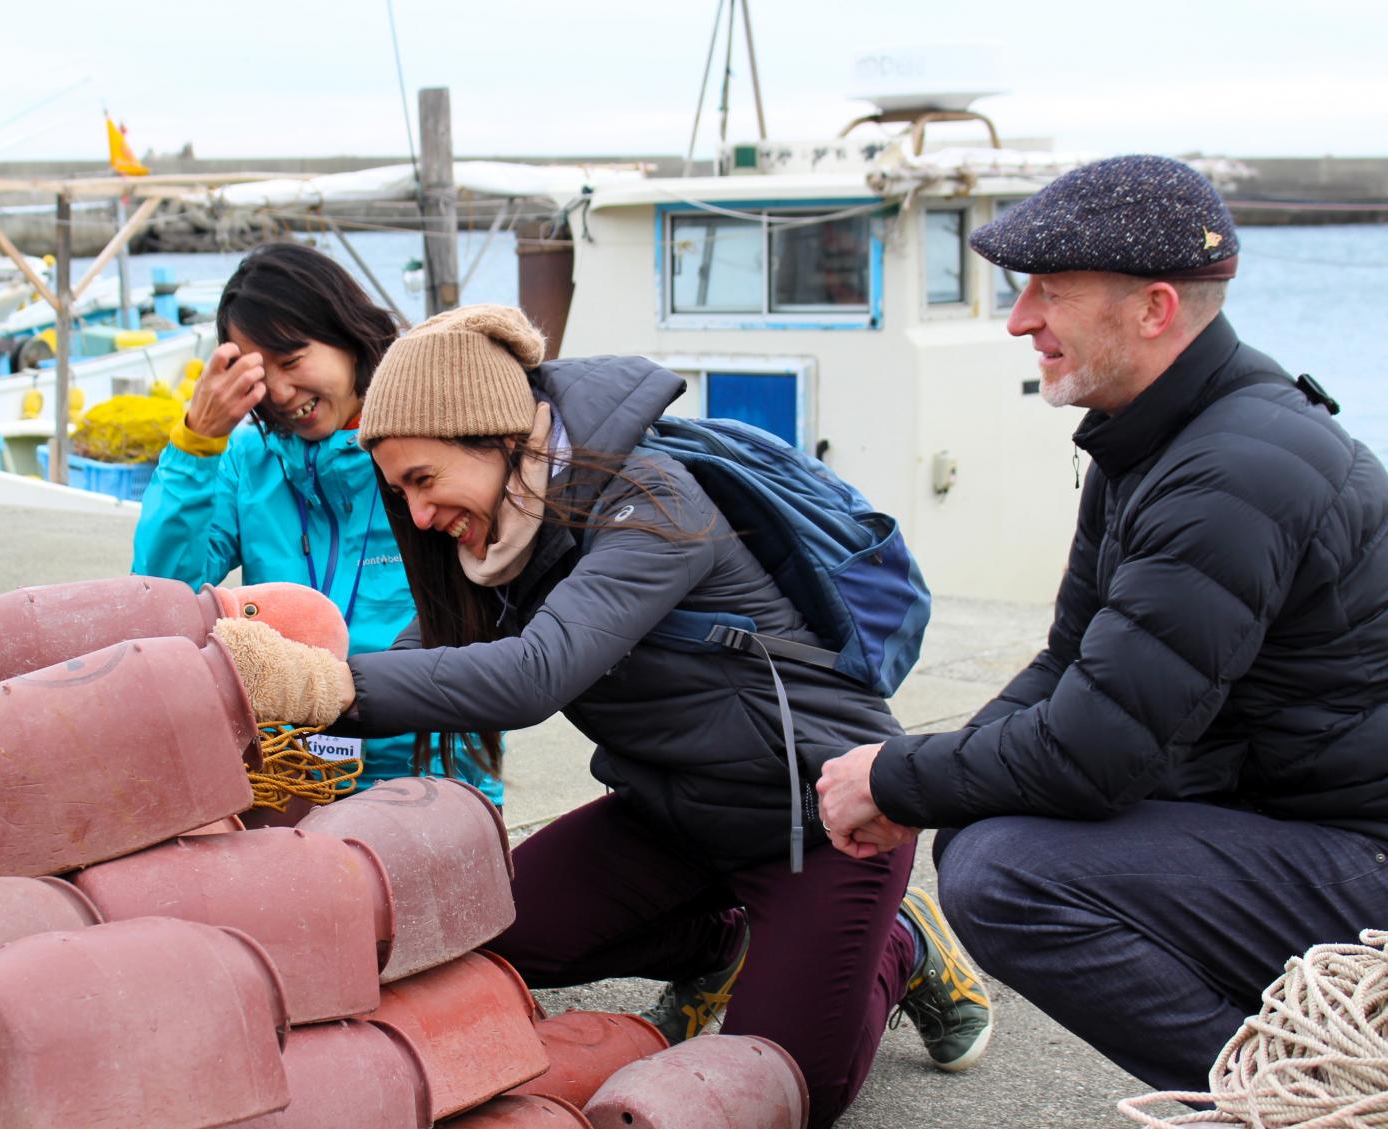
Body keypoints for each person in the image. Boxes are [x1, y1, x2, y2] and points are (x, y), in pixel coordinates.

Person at [213, 304, 992, 1127]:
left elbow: (532, 674)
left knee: (785, 1089)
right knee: (487, 936)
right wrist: (280, 724)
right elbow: (424, 664)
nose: (418, 515)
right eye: (400, 490)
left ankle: (897, 946)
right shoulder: (503, 542)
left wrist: (320, 684)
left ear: (492, 435)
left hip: (817, 817)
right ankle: (722, 943)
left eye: (424, 480)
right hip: (670, 814)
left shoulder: (652, 502)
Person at [815, 155, 1388, 1093]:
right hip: (1288, 816)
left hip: (1359, 856)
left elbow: (1096, 752)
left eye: (1048, 290)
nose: (1018, 319)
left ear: (1153, 309)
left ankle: (1292, 1096)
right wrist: (915, 772)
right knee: (987, 825)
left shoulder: (1234, 471)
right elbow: (1067, 664)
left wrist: (901, 777)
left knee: (1008, 872)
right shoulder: (1154, 434)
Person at [131, 242, 501, 804]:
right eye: (259, 372)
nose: (280, 393)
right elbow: (161, 599)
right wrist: (195, 446)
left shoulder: (427, 444)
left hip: (430, 776)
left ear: (347, 337)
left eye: (292, 359)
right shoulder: (246, 460)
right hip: (286, 778)